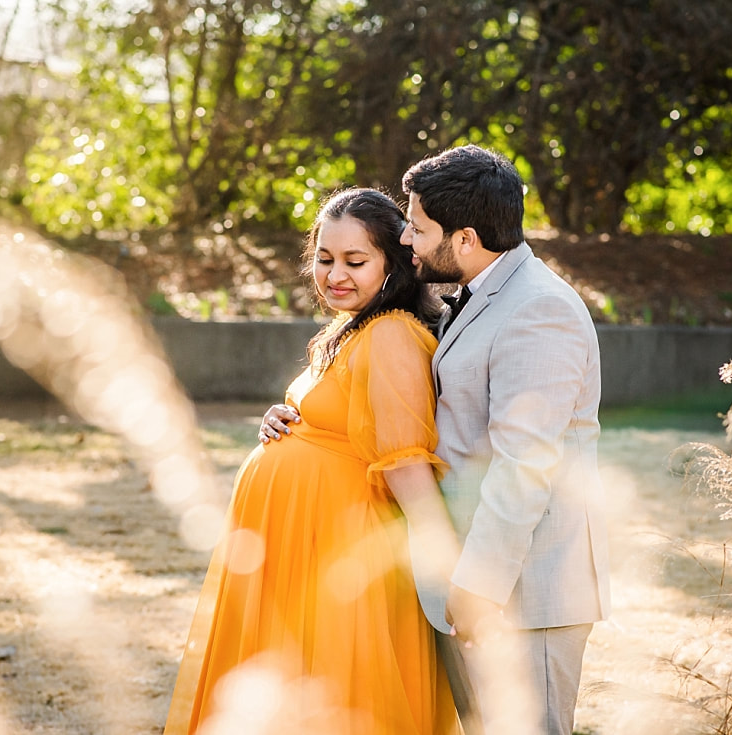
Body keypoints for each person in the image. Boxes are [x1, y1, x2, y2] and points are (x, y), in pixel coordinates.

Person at [163, 188, 461, 735]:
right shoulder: (350, 331)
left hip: (340, 549)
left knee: (336, 699)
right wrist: (287, 418)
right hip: (300, 546)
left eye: (355, 261)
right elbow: (343, 420)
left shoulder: (391, 332)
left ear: (394, 263)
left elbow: (405, 463)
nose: (335, 274)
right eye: (325, 258)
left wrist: (450, 570)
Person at [399, 144, 611, 735]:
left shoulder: (539, 310)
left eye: (417, 228)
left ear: (465, 237)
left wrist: (478, 585)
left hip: (526, 593)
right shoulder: (486, 289)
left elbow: (525, 465)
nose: (407, 241)